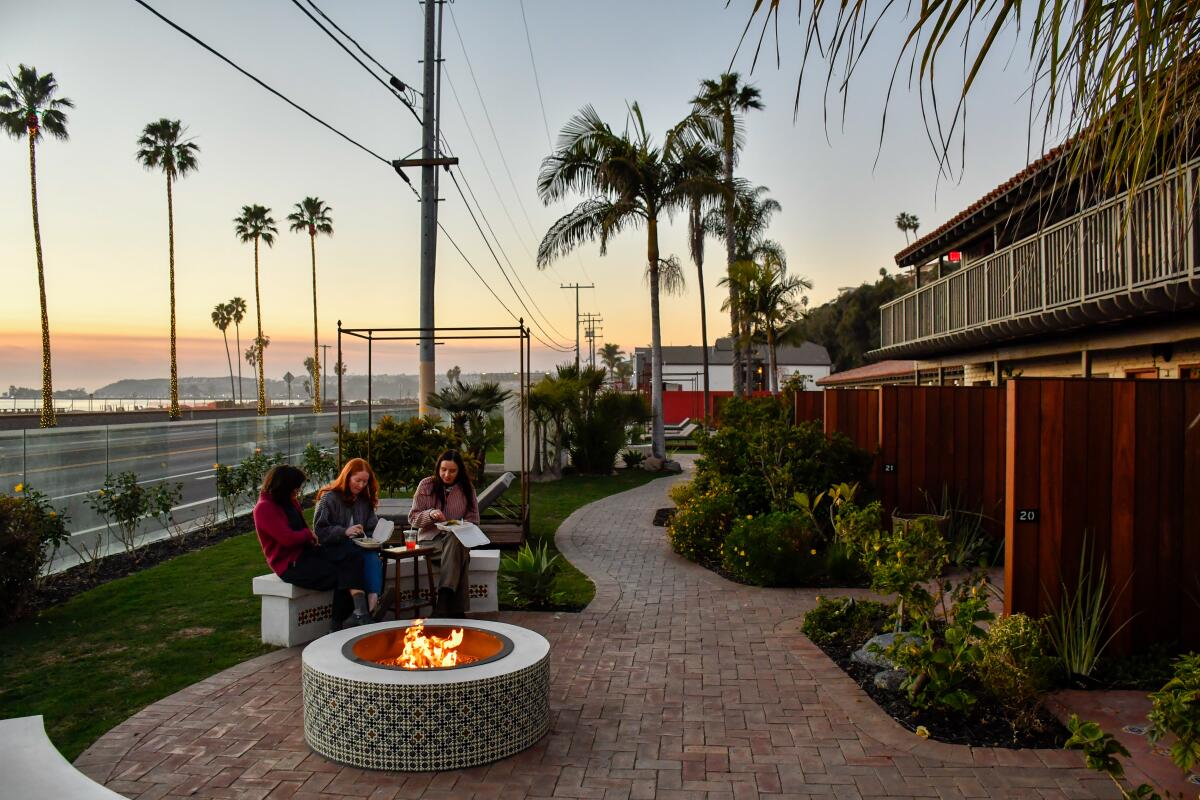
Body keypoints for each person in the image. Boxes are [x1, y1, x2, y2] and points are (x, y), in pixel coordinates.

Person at [253, 464, 372, 631]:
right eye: (296, 487)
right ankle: (340, 623)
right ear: (284, 486)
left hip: (308, 552)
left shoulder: (290, 502)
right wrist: (308, 535)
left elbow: (300, 529)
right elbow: (287, 539)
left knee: (351, 556)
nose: (298, 491)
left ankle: (359, 612)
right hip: (290, 564)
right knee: (341, 575)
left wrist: (309, 538)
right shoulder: (264, 508)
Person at [408, 449, 479, 617]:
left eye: (452, 471)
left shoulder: (467, 489)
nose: (447, 474)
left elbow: (474, 519)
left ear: (459, 471)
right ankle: (455, 608)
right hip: (430, 541)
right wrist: (430, 514)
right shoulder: (427, 485)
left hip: (456, 539)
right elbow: (413, 518)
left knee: (456, 541)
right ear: (438, 468)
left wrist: (461, 525)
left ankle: (443, 602)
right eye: (443, 469)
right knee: (461, 554)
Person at [313, 458, 384, 614]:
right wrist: (344, 531)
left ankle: (373, 601)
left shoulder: (364, 500)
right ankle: (367, 608)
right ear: (347, 476)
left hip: (358, 546)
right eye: (357, 480)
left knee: (372, 557)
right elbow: (320, 531)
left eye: (365, 482)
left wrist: (373, 538)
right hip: (334, 547)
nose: (361, 485)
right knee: (355, 558)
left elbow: (372, 527)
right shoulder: (329, 498)